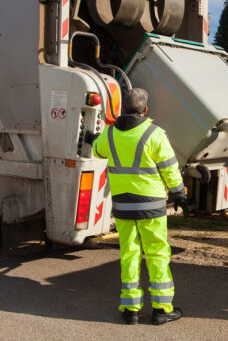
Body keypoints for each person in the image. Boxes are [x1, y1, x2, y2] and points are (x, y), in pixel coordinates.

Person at [91, 88, 189, 325]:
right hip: (151, 206)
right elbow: (169, 168)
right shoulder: (155, 134)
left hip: (123, 206)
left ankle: (130, 309)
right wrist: (179, 194)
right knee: (156, 253)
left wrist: (91, 140)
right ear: (145, 110)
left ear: (123, 108)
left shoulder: (109, 133)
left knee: (129, 253)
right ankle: (161, 310)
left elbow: (96, 149)